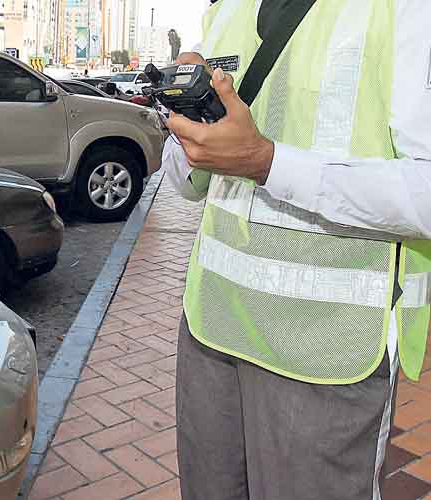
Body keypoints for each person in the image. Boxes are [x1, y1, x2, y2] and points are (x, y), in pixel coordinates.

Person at [163, 1, 431, 499]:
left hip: (326, 348)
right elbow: (186, 183)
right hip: (211, 325)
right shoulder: (226, 9)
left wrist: (268, 162)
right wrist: (183, 124)